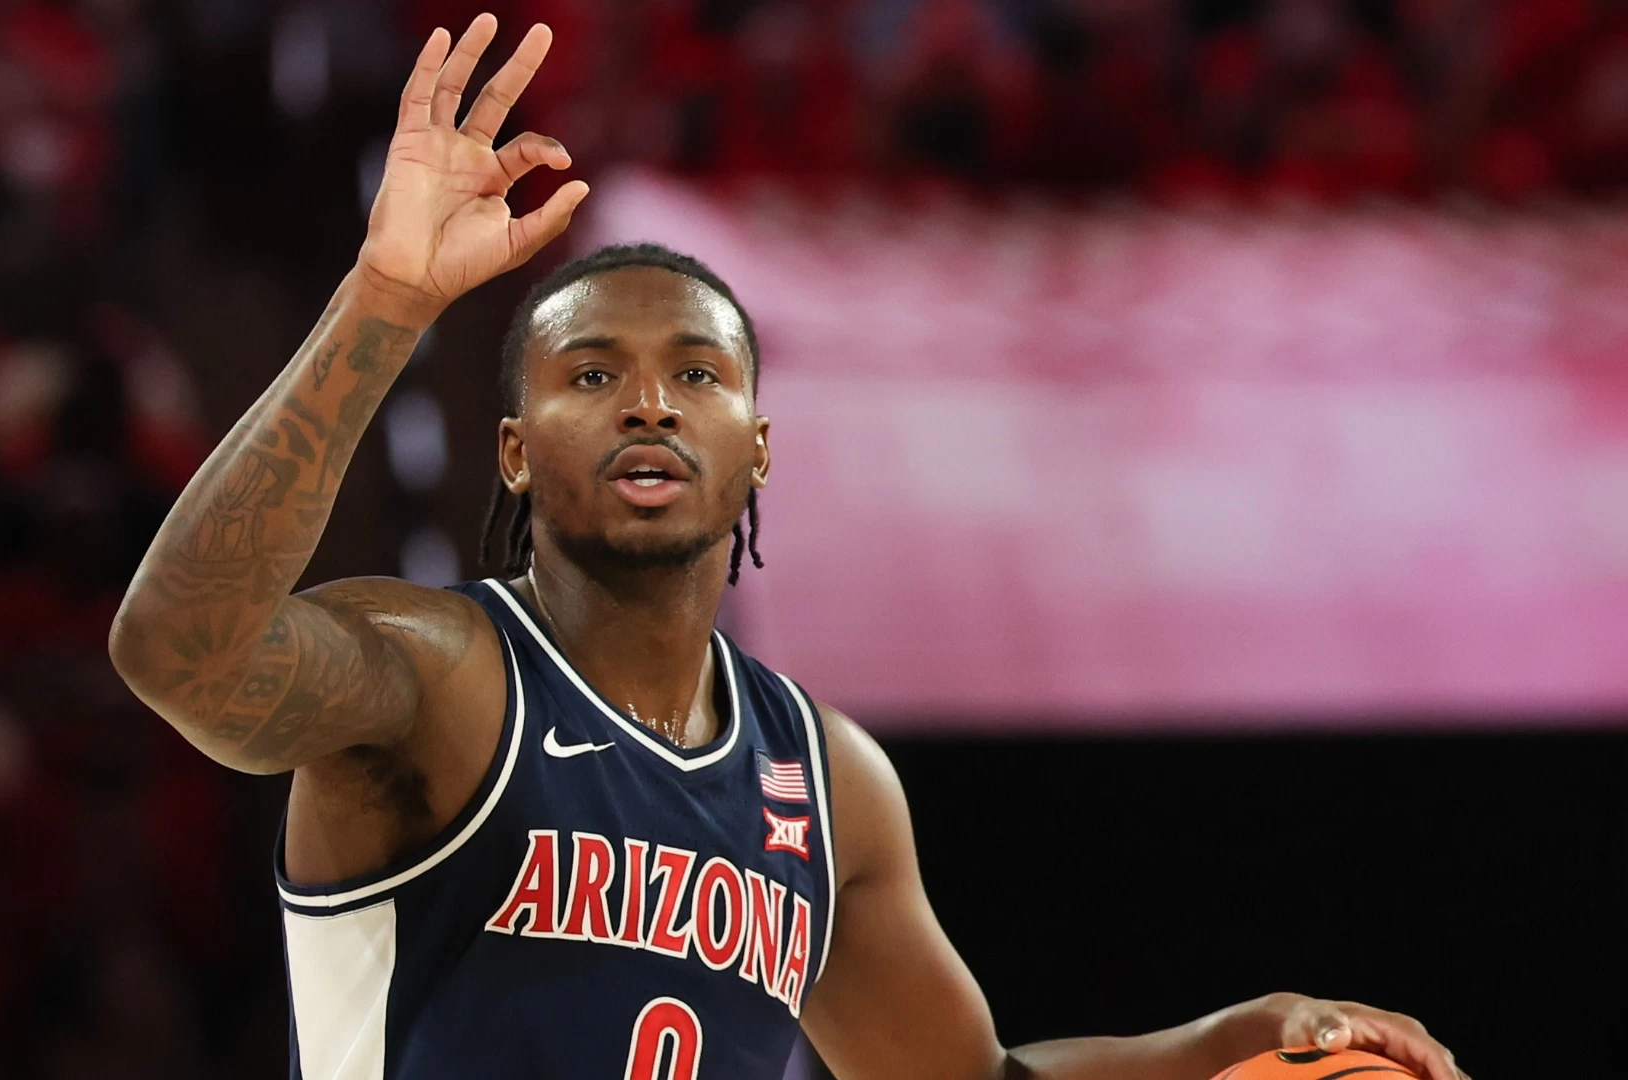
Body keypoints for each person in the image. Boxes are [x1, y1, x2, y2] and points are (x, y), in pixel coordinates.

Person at [107, 15, 1470, 1080]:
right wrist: (384, 302)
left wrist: (1233, 1035)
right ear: (514, 451)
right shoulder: (439, 675)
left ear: (757, 447)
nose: (650, 402)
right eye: (593, 374)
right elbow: (180, 653)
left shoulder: (825, 780)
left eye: (698, 374)